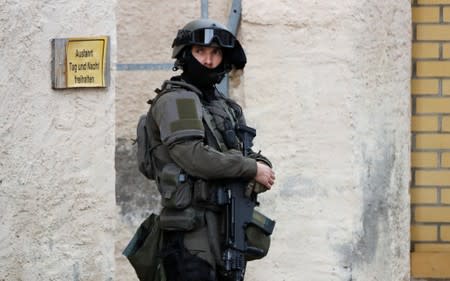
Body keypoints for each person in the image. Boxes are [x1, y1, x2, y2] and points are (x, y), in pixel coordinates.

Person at [147, 18, 275, 281]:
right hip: (191, 231)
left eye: (215, 53)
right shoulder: (176, 100)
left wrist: (262, 164)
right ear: (186, 55)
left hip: (224, 224)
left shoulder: (225, 106)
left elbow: (242, 150)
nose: (208, 60)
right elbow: (193, 156)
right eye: (200, 52)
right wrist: (251, 168)